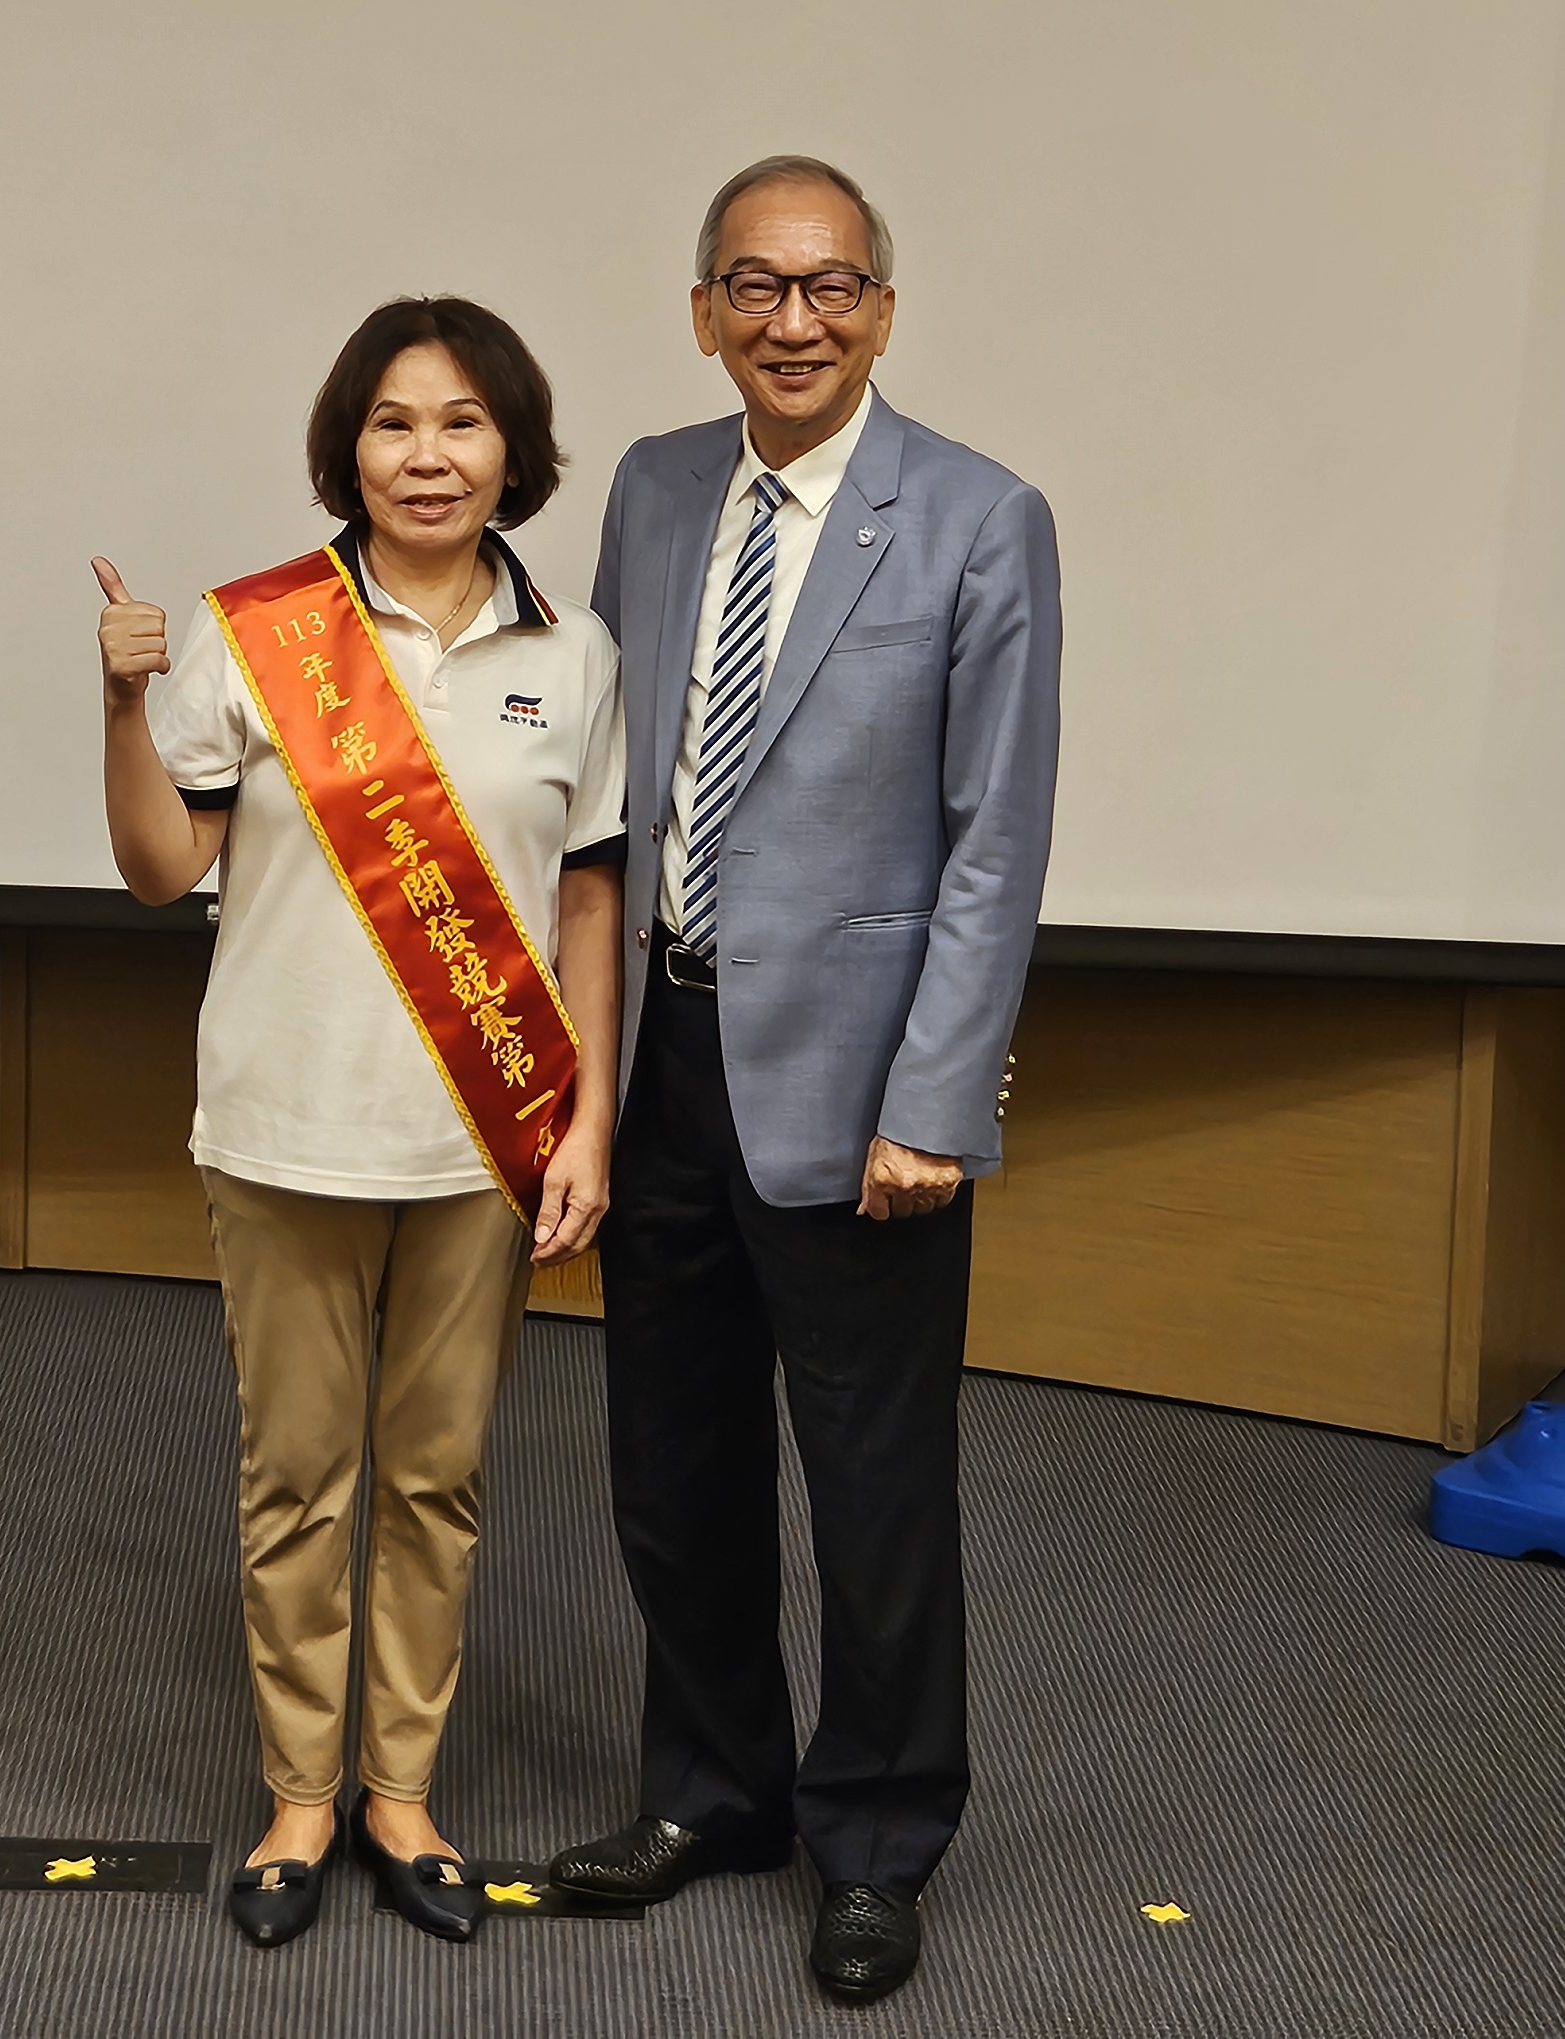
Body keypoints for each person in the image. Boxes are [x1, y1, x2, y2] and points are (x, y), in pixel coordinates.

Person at [546, 156, 1060, 2008]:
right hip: (666, 1052)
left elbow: (995, 841)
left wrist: (937, 1101)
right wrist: (585, 1075)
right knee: (672, 1468)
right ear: (704, 314)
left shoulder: (982, 520)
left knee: (874, 1487)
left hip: (861, 1093)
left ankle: (876, 1840)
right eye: (755, 288)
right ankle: (713, 1794)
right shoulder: (655, 486)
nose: (794, 321)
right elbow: (608, 787)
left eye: (831, 286)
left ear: (883, 311)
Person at [91, 294, 627, 1952]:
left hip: (481, 1143)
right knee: (300, 1482)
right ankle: (300, 1800)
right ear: (349, 449)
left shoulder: (574, 653)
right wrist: (121, 707)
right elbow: (159, 869)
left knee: (440, 1481)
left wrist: (590, 1119)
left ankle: (404, 1794)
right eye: (396, 422)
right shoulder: (259, 632)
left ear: (513, 453)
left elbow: (590, 899)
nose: (428, 455)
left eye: (463, 422)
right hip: (283, 1131)